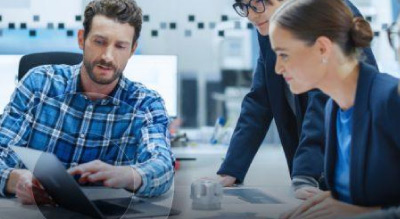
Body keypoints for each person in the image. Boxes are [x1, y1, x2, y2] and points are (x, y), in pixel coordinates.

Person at [0, 0, 174, 205]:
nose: (108, 56)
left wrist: (128, 175)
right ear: (82, 39)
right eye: (99, 42)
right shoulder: (39, 84)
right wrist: (17, 180)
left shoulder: (145, 103)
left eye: (120, 46)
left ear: (132, 49)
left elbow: (162, 167)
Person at [217, 0, 378, 200]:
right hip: (320, 174)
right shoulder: (273, 25)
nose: (251, 15)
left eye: (258, 2)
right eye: (244, 6)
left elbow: (325, 98)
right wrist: (231, 168)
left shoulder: (326, 12)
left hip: (356, 171)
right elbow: (260, 98)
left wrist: (305, 173)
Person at [267, 0, 400, 218]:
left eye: (284, 54)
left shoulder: (391, 100)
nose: (278, 68)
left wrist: (362, 212)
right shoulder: (334, 109)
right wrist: (339, 199)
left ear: (322, 48)